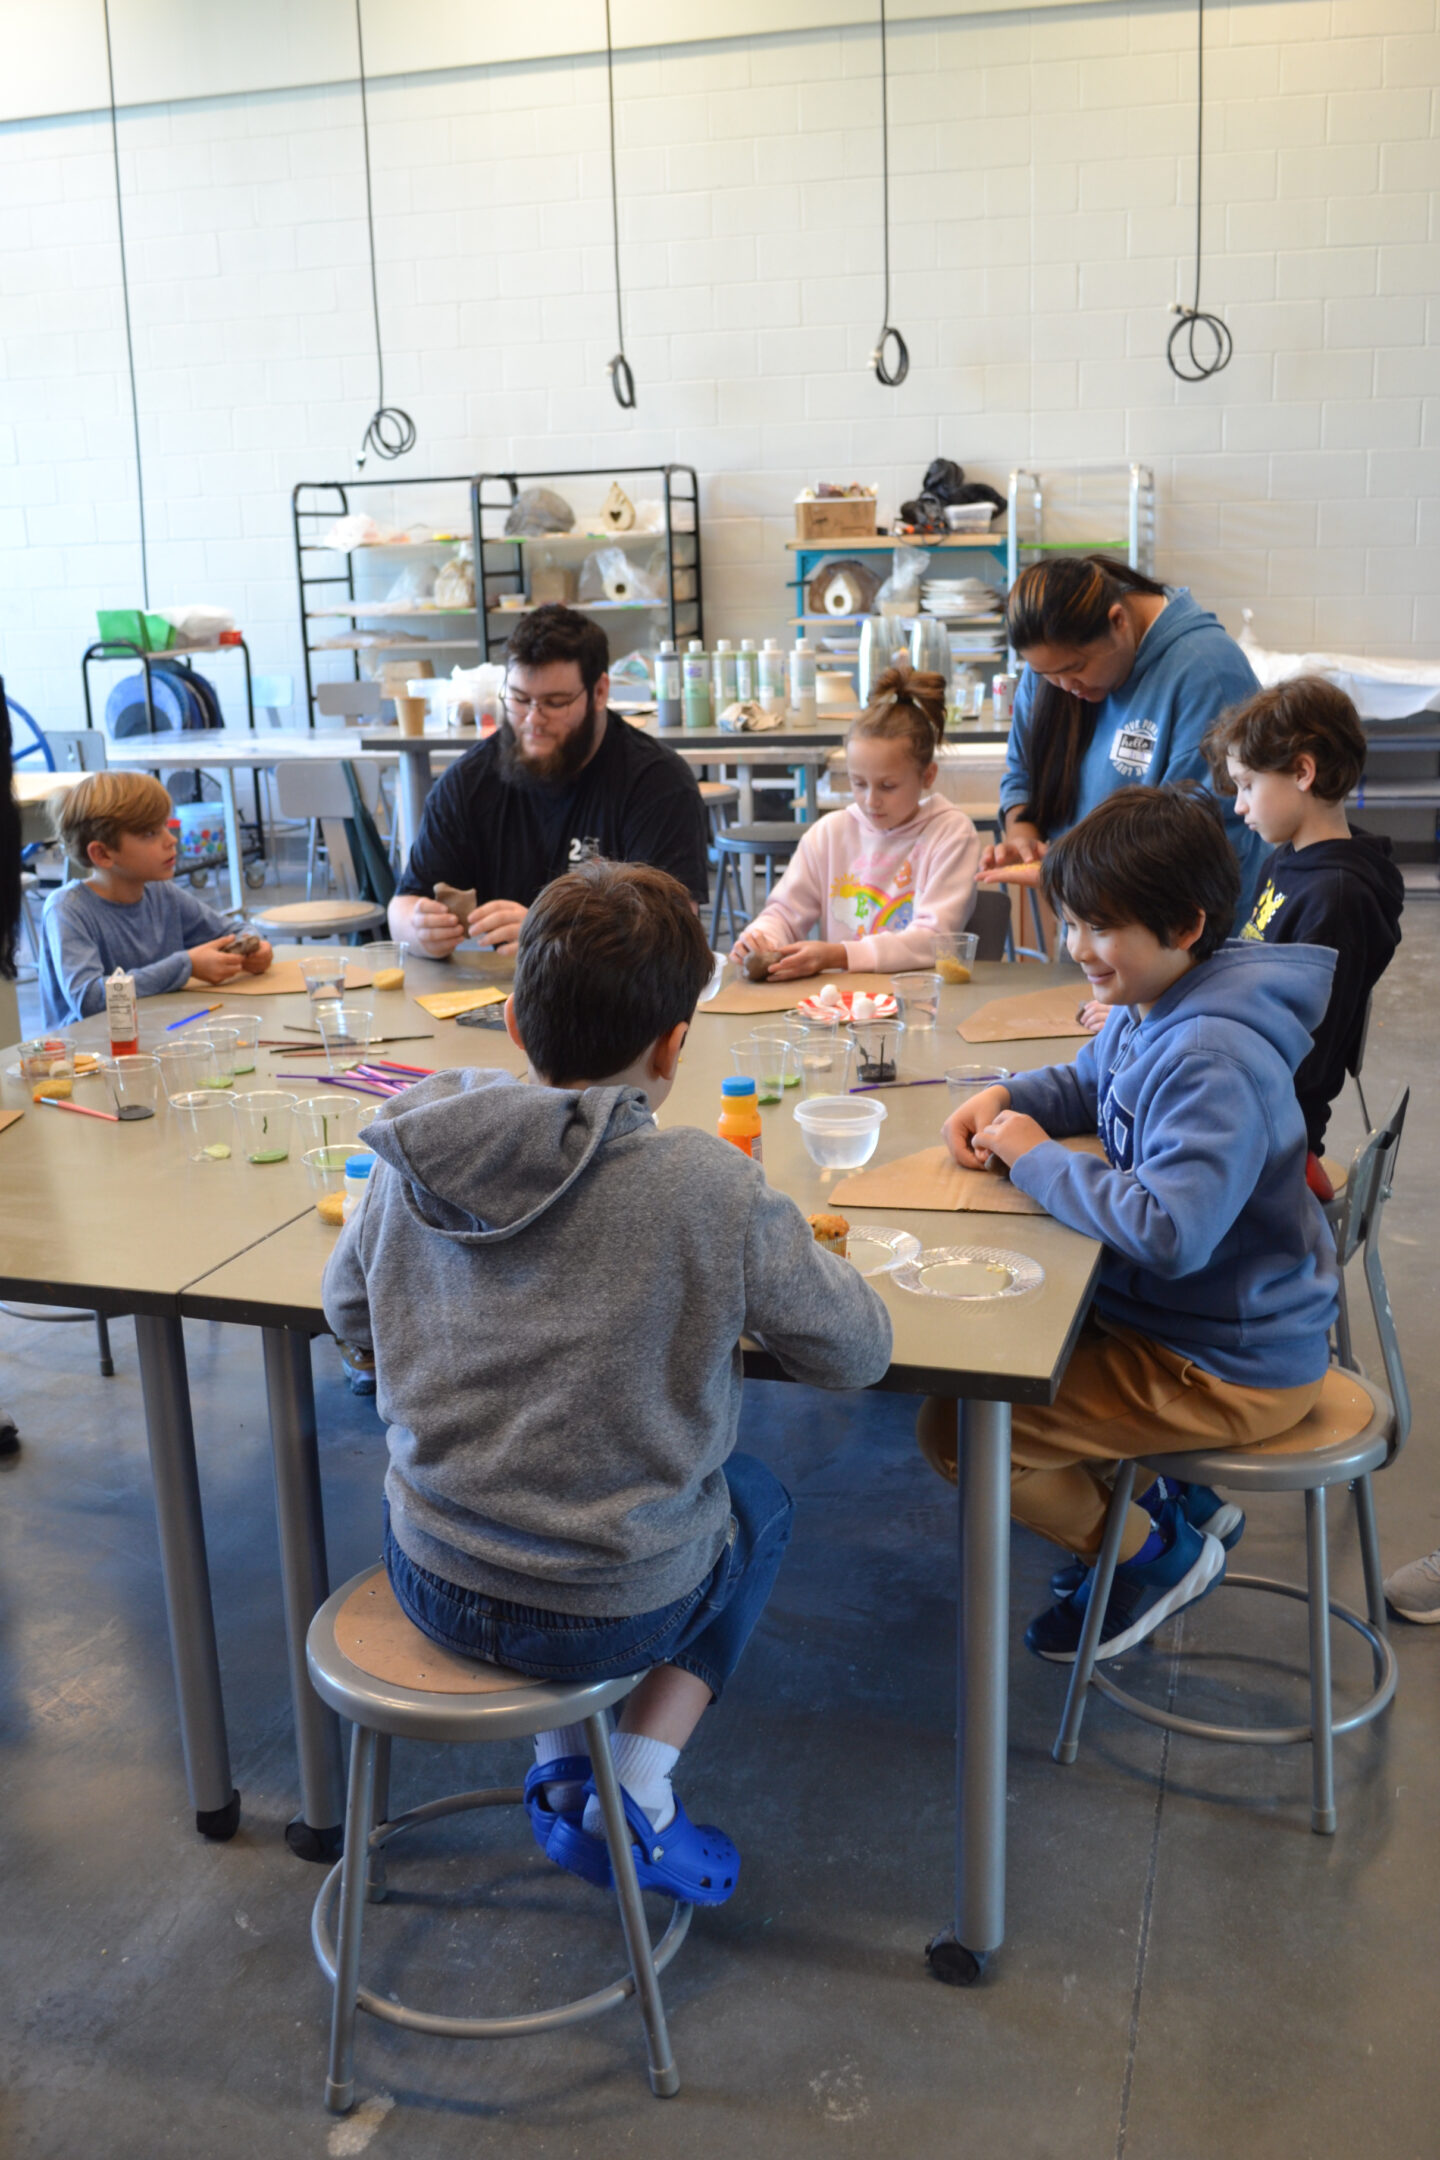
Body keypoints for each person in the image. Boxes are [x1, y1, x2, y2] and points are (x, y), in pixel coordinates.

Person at [323, 860, 892, 1905]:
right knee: (753, 1500)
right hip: (609, 1610)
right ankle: (637, 1781)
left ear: (510, 1020)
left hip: (428, 1569)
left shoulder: (415, 1152)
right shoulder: (708, 1186)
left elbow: (349, 1316)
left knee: (524, 1498)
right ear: (676, 1044)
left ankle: (558, 1769)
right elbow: (855, 1354)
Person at [918, 786, 1339, 1661]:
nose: (1077, 950)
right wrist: (1008, 1095)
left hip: (1228, 1362)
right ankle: (1167, 1498)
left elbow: (1168, 1234)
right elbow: (1087, 1081)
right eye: (1071, 924)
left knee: (961, 1431)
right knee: (1007, 1359)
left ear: (1184, 925)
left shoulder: (1210, 1054)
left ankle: (1158, 1559)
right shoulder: (1163, 1002)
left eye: (1098, 929)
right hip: (1199, 1327)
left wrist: (1035, 1157)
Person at [980, 556, 1268, 1020]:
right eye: (1045, 676)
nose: (1062, 687)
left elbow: (1200, 849)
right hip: (1102, 931)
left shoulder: (1205, 672)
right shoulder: (1053, 669)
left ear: (1117, 621)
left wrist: (1067, 871)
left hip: (1179, 961)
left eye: (1074, 669)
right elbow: (1022, 775)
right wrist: (1024, 837)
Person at [388, 605, 710, 959]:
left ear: (600, 692)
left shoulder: (656, 783)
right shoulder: (468, 782)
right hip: (495, 994)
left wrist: (550, 936)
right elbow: (402, 905)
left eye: (555, 703)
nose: (532, 720)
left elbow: (675, 941)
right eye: (519, 699)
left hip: (615, 1004)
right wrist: (418, 930)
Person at [1205, 677, 1403, 1196]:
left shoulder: (1338, 898)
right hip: (1251, 1090)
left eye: (1247, 785)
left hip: (1275, 1132)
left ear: (1302, 772)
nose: (1240, 806)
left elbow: (1310, 1058)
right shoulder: (1288, 859)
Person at [727, 664, 980, 978]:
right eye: (858, 784)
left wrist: (837, 955)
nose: (871, 800)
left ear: (927, 776)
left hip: (917, 997)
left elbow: (935, 940)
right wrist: (763, 937)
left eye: (888, 786)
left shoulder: (950, 834)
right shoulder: (829, 833)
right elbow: (785, 912)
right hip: (841, 1005)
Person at [38, 771, 271, 1028]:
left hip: (159, 1037)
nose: (171, 840)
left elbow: (233, 930)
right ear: (102, 853)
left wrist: (254, 946)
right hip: (89, 1056)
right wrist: (186, 966)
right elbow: (89, 999)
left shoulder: (163, 894)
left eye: (165, 826)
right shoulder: (68, 910)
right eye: (150, 833)